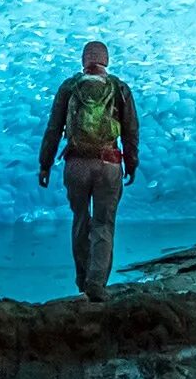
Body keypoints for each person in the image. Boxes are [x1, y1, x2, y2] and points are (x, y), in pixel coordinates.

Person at [37, 41, 140, 302]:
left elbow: (53, 129)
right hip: (108, 164)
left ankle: (82, 282)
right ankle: (97, 284)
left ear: (84, 60)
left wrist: (45, 164)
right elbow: (131, 130)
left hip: (76, 165)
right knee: (104, 224)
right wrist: (131, 162)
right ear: (106, 60)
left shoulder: (70, 87)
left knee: (81, 221)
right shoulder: (119, 88)